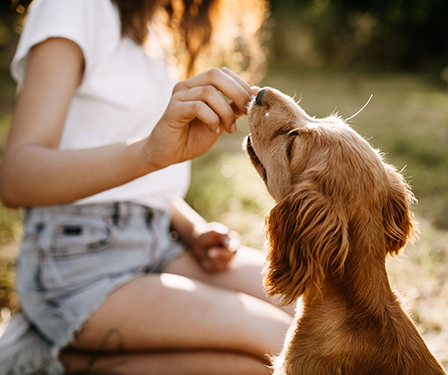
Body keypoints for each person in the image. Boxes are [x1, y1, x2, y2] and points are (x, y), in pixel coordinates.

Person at [0, 0, 293, 374]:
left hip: (160, 242)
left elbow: (131, 180)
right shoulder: (72, 7)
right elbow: (17, 177)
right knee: (280, 347)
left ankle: (61, 358)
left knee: (317, 310)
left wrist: (191, 228)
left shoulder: (158, 23)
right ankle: (44, 358)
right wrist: (149, 153)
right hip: (77, 262)